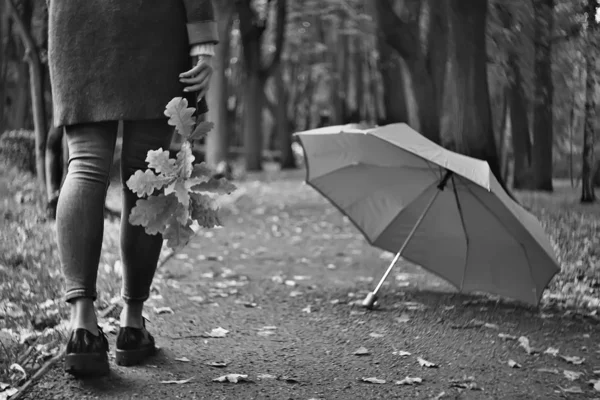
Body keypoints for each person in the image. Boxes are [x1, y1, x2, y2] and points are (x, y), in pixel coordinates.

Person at [47, 0, 218, 377]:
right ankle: (132, 324)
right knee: (147, 172)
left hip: (75, 19)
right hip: (154, 21)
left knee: (85, 165)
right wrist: (202, 39)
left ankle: (82, 328)